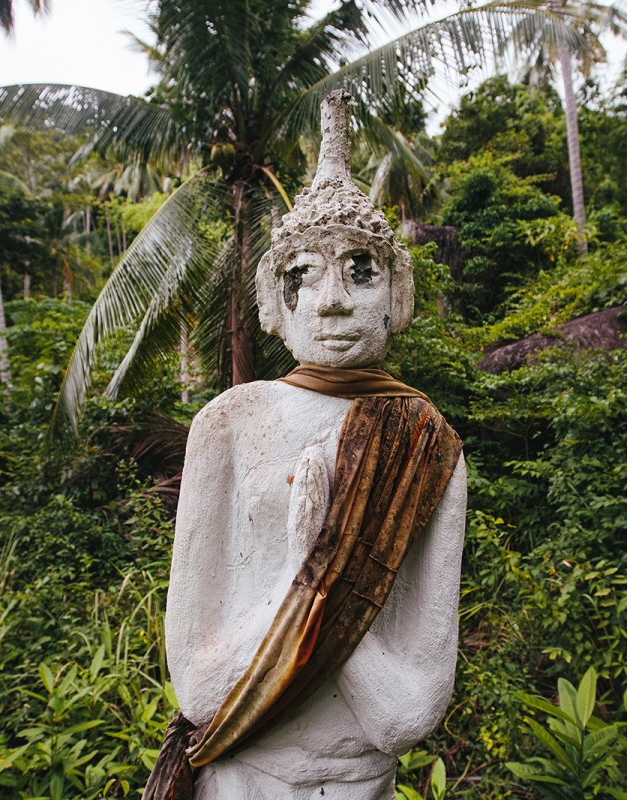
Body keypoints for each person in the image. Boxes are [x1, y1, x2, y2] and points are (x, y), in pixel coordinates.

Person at [153, 91, 467, 800]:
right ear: (275, 299)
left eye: (361, 269)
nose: (331, 300)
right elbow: (202, 690)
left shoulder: (427, 442)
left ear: (399, 293)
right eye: (305, 274)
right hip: (240, 770)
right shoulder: (231, 424)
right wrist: (313, 577)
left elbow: (407, 715)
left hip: (361, 780)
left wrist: (318, 575)